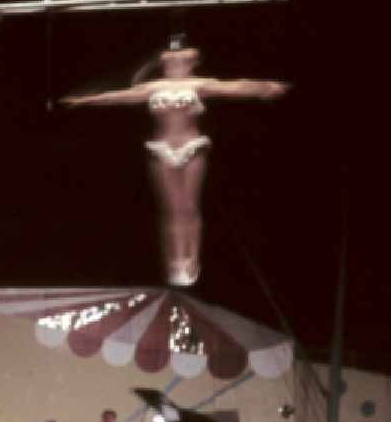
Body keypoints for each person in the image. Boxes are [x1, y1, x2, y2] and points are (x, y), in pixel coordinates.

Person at [63, 40, 288, 286]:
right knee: (172, 208)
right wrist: (84, 100)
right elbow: (117, 96)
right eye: (171, 61)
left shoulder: (199, 84)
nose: (177, 65)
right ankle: (176, 259)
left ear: (190, 64)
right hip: (163, 148)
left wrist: (266, 87)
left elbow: (235, 87)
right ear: (165, 64)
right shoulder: (153, 87)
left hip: (191, 145)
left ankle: (192, 259)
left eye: (182, 61)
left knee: (189, 205)